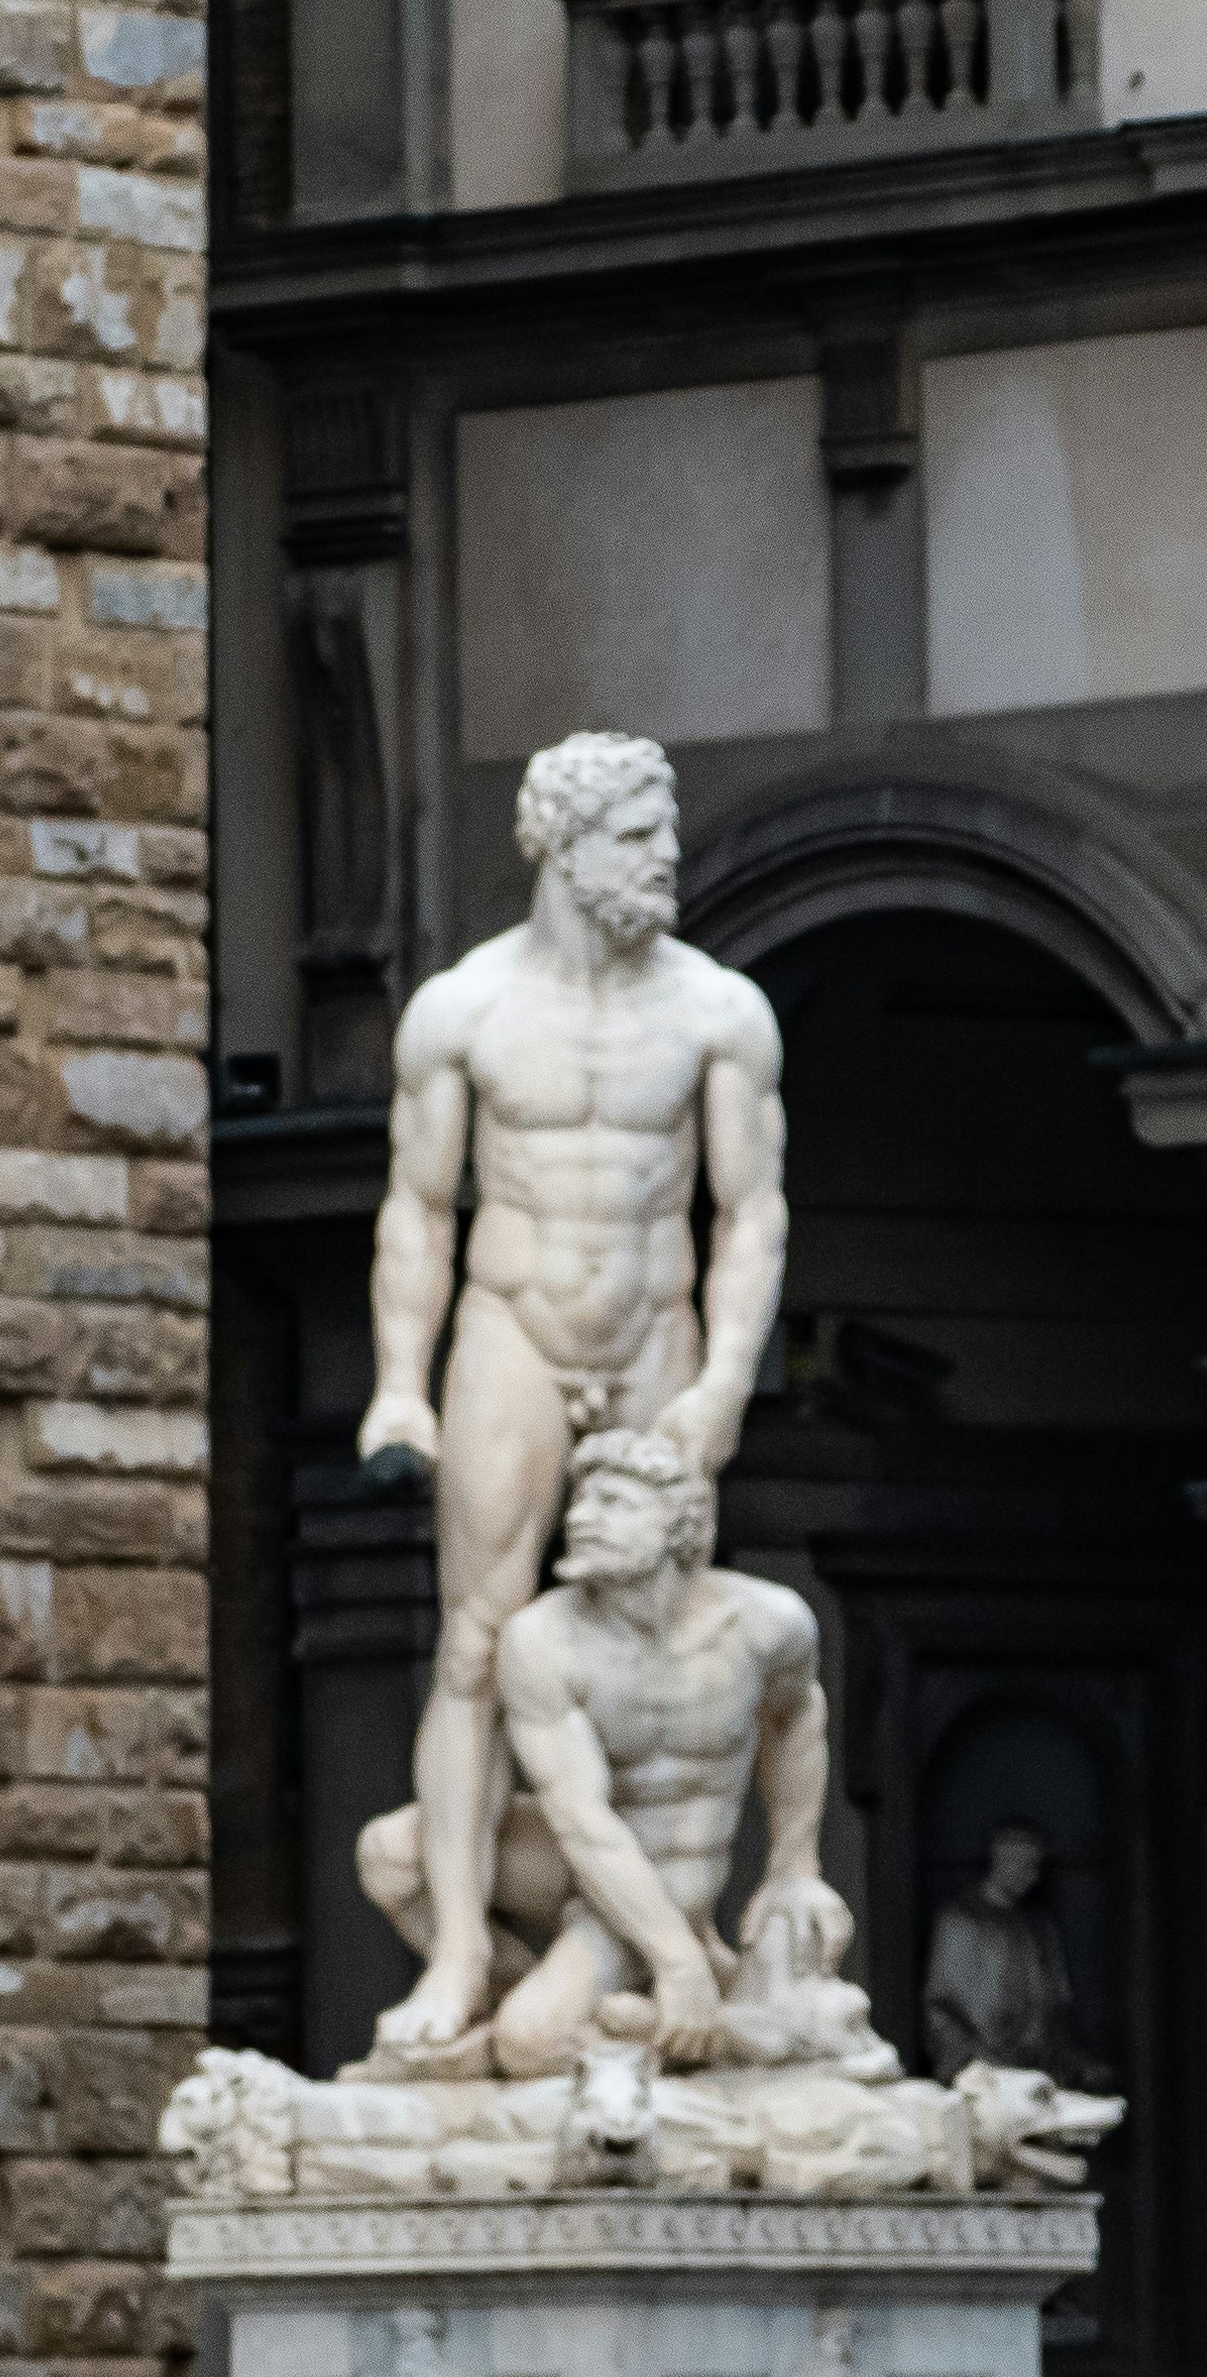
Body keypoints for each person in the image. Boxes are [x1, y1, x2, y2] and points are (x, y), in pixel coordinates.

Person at [353, 732, 791, 2065]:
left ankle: (679, 1945)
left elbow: (752, 1214)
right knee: (478, 1644)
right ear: (559, 842)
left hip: (654, 1327)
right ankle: (463, 1952)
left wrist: (723, 1381)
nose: (661, 858)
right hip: (511, 1329)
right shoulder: (464, 1010)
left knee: (665, 1631)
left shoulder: (718, 1011)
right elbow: (416, 1216)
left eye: (662, 833)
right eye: (632, 836)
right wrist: (397, 1389)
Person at [351, 1428, 854, 2075]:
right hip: (587, 1862)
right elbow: (580, 1819)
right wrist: (676, 1959)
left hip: (679, 1868)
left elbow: (799, 1718)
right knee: (390, 1854)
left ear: (679, 1522)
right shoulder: (543, 1640)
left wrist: (795, 1866)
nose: (582, 1518)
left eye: (614, 1503)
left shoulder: (768, 1623)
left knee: (533, 2043)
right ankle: (525, 1996)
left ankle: (722, 2033)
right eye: (580, 1502)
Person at [923, 1820, 1106, 2087]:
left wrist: (1075, 2062)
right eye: (1026, 1865)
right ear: (1002, 1860)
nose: (1033, 1876)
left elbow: (1057, 2007)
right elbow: (941, 2010)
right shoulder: (960, 1921)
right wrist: (972, 2066)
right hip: (988, 2077)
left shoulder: (1040, 1926)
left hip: (1043, 2075)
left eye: (1036, 1866)